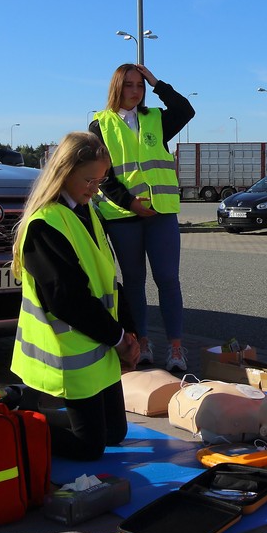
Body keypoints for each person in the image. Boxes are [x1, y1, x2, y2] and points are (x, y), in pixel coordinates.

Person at [10, 131, 140, 461]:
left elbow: (108, 281)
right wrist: (119, 339)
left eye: (101, 180)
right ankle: (13, 423)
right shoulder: (45, 224)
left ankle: (30, 413)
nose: (95, 188)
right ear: (65, 172)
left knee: (115, 433)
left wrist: (130, 332)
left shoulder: (87, 211)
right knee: (89, 447)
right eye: (89, 180)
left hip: (96, 346)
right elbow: (67, 301)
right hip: (66, 353)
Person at [89, 63, 195, 372]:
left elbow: (186, 110)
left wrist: (157, 82)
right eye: (129, 85)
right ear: (116, 87)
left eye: (140, 85)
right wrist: (130, 203)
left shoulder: (156, 118)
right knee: (134, 282)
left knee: (168, 279)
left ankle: (176, 348)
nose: (135, 91)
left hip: (161, 212)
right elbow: (103, 176)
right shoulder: (100, 125)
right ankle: (143, 342)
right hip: (123, 215)